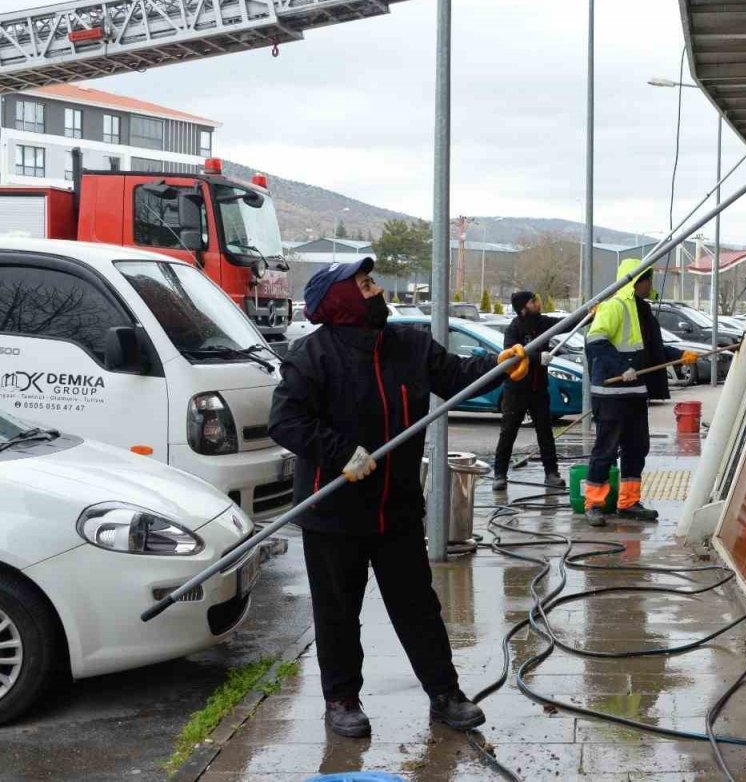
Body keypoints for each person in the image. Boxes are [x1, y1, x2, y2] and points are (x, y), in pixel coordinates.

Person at [268, 257, 528, 738]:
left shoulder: (409, 345)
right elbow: (285, 421)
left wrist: (498, 367)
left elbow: (456, 375)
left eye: (372, 282)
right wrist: (341, 452)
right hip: (334, 513)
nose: (377, 290)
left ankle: (445, 695)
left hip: (397, 508)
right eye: (365, 285)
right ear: (340, 301)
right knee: (338, 613)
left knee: (417, 607)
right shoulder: (311, 356)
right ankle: (341, 700)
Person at [583, 260, 699, 527]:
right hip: (610, 393)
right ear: (637, 281)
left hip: (635, 393)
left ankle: (629, 502)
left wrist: (680, 355)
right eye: (648, 280)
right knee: (606, 448)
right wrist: (622, 367)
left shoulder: (642, 311)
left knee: (636, 448)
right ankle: (594, 503)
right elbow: (595, 341)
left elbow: (652, 350)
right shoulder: (615, 306)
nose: (651, 285)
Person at [492, 290, 565, 492]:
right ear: (524, 308)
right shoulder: (514, 329)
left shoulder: (542, 323)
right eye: (534, 301)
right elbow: (512, 355)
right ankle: (499, 475)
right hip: (516, 390)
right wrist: (537, 358)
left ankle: (551, 473)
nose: (538, 303)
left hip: (539, 389)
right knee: (508, 432)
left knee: (545, 432)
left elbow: (565, 324)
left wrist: (590, 314)